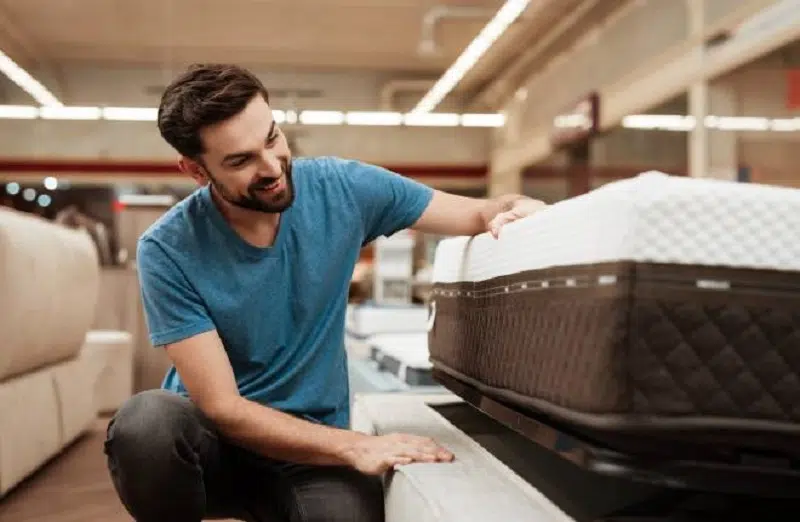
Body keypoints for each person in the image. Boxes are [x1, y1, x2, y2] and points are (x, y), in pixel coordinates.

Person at [104, 63, 546, 522]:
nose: (272, 167)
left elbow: (480, 212)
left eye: (273, 138)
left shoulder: (342, 188)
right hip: (214, 451)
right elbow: (223, 407)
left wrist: (520, 212)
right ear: (196, 170)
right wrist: (358, 445)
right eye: (241, 160)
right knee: (146, 426)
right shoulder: (167, 248)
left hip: (310, 449)